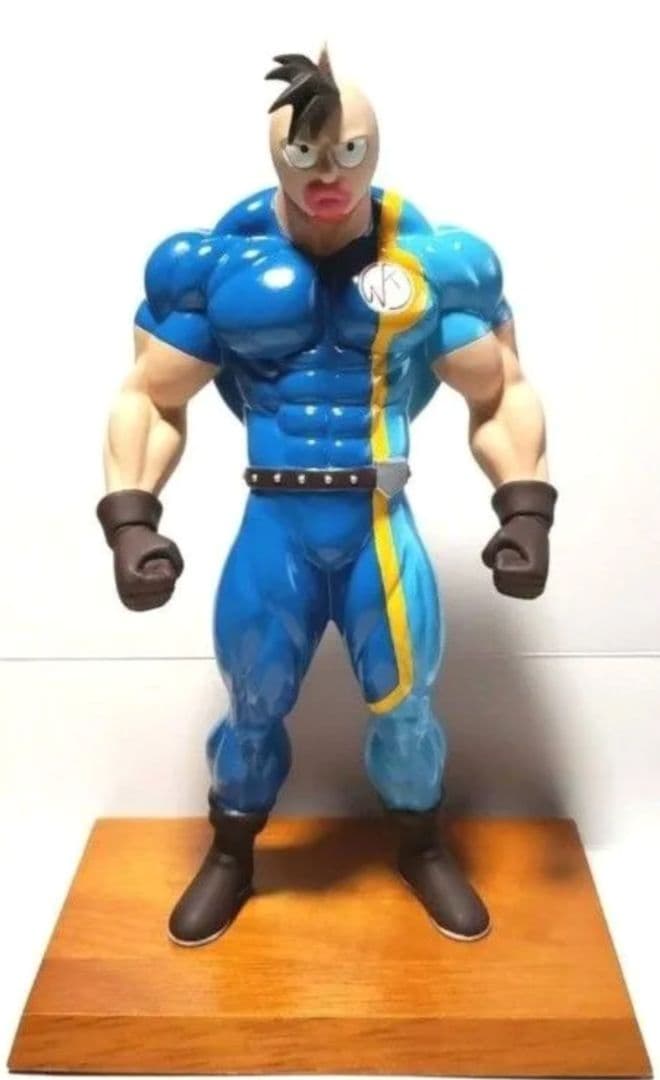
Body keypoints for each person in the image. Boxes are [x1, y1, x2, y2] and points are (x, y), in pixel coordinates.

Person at [97, 48, 556, 947]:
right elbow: (150, 396)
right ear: (277, 154)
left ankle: (421, 844)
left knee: (407, 708)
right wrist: (131, 520)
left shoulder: (432, 267)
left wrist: (525, 508)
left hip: (379, 522)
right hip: (276, 525)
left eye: (349, 152)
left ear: (373, 148)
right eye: (304, 156)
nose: (328, 176)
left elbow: (500, 389)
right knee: (253, 706)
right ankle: (232, 854)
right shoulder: (220, 269)